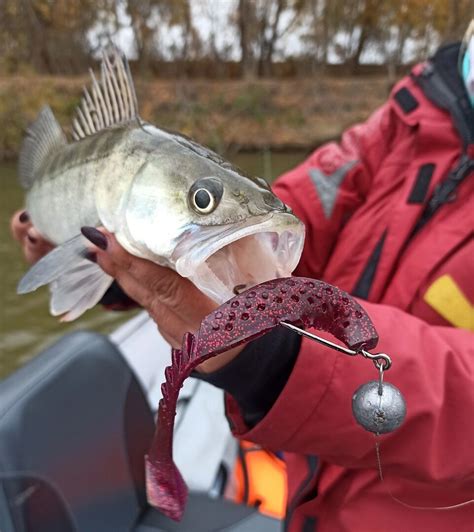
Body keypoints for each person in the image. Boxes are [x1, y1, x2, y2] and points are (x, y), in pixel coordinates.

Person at [11, 26, 474, 531]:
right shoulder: (412, 117)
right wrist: (127, 271)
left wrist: (277, 358)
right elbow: (289, 217)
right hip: (307, 490)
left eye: (201, 200)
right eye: (201, 199)